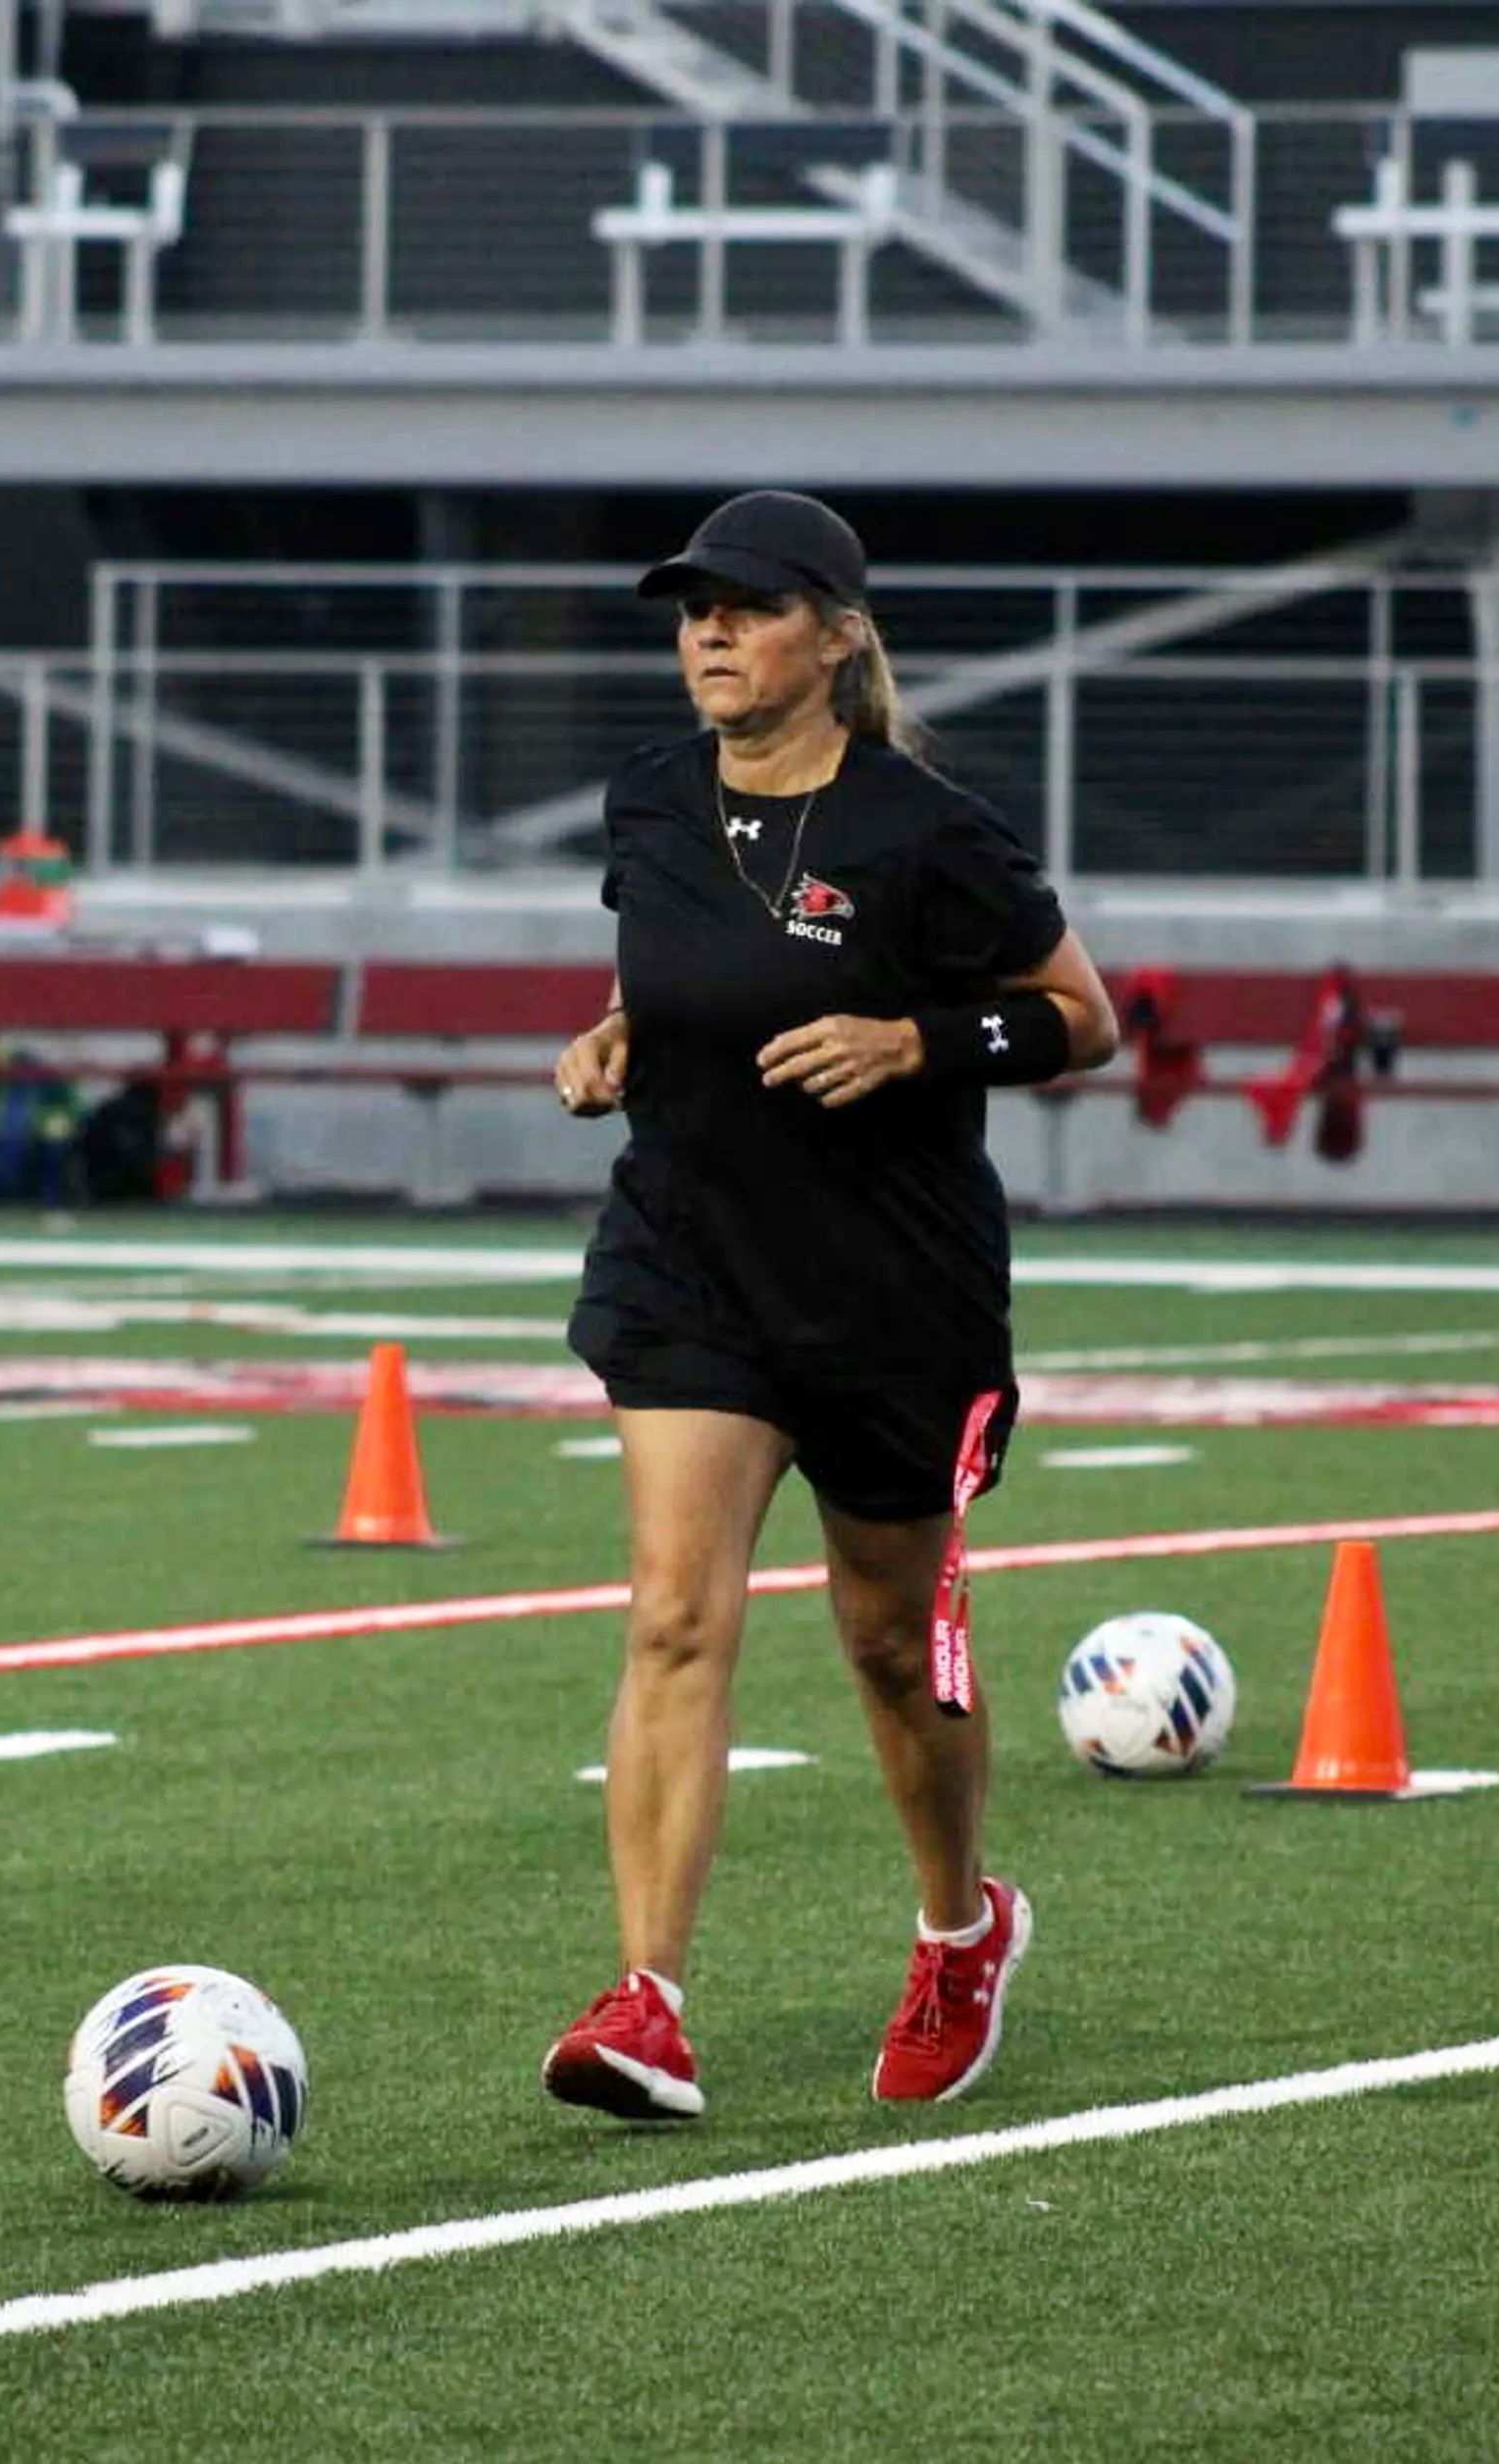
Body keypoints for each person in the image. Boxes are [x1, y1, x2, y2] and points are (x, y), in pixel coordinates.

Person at [541, 490, 1118, 2121]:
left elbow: (1086, 1019)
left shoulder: (925, 831)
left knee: (888, 1639)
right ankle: (647, 1999)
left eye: (744, 606)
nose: (707, 634)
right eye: (690, 609)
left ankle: (960, 1925)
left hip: (894, 1294)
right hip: (690, 1263)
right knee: (673, 1609)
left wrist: (920, 1043)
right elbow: (667, 979)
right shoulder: (651, 798)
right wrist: (611, 1042)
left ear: (837, 634)